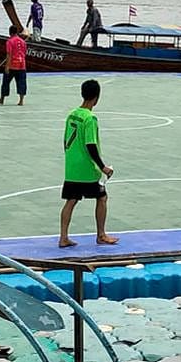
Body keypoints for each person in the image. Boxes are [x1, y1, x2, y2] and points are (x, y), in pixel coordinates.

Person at [58, 79, 118, 248]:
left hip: (72, 167)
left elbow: (65, 140)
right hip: (87, 169)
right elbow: (90, 145)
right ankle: (101, 235)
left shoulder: (72, 114)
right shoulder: (90, 118)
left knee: (71, 200)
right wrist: (103, 167)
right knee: (102, 197)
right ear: (96, 98)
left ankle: (63, 237)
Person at [0, 25, 28, 106]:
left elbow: (9, 55)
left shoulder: (9, 42)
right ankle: (21, 101)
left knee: (5, 82)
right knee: (21, 83)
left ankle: (2, 99)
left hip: (13, 65)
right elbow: (24, 53)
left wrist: (7, 66)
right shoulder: (23, 42)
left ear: (10, 32)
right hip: (22, 65)